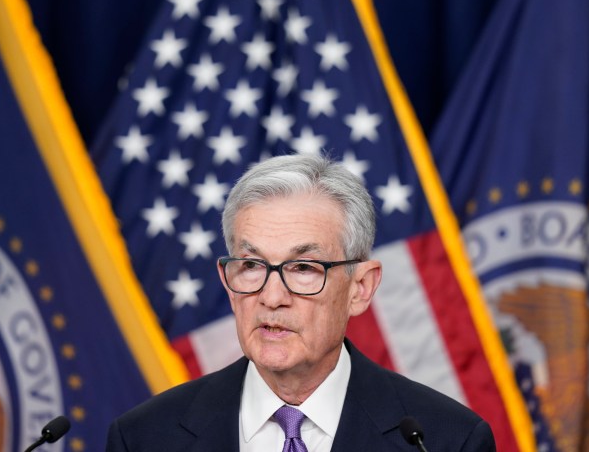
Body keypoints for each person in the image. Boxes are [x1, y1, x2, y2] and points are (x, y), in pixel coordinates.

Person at [106, 154, 496, 451]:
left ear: (360, 287)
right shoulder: (143, 438)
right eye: (251, 265)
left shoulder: (447, 441)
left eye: (304, 268)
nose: (272, 297)